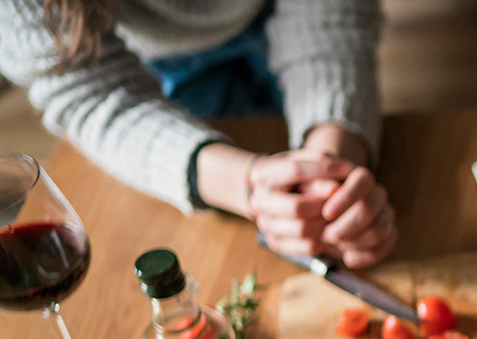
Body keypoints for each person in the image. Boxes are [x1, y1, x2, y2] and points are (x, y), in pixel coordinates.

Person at [0, 0, 395, 267]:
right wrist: (248, 186)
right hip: (142, 53)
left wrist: (330, 170)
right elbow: (86, 88)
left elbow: (331, 14)